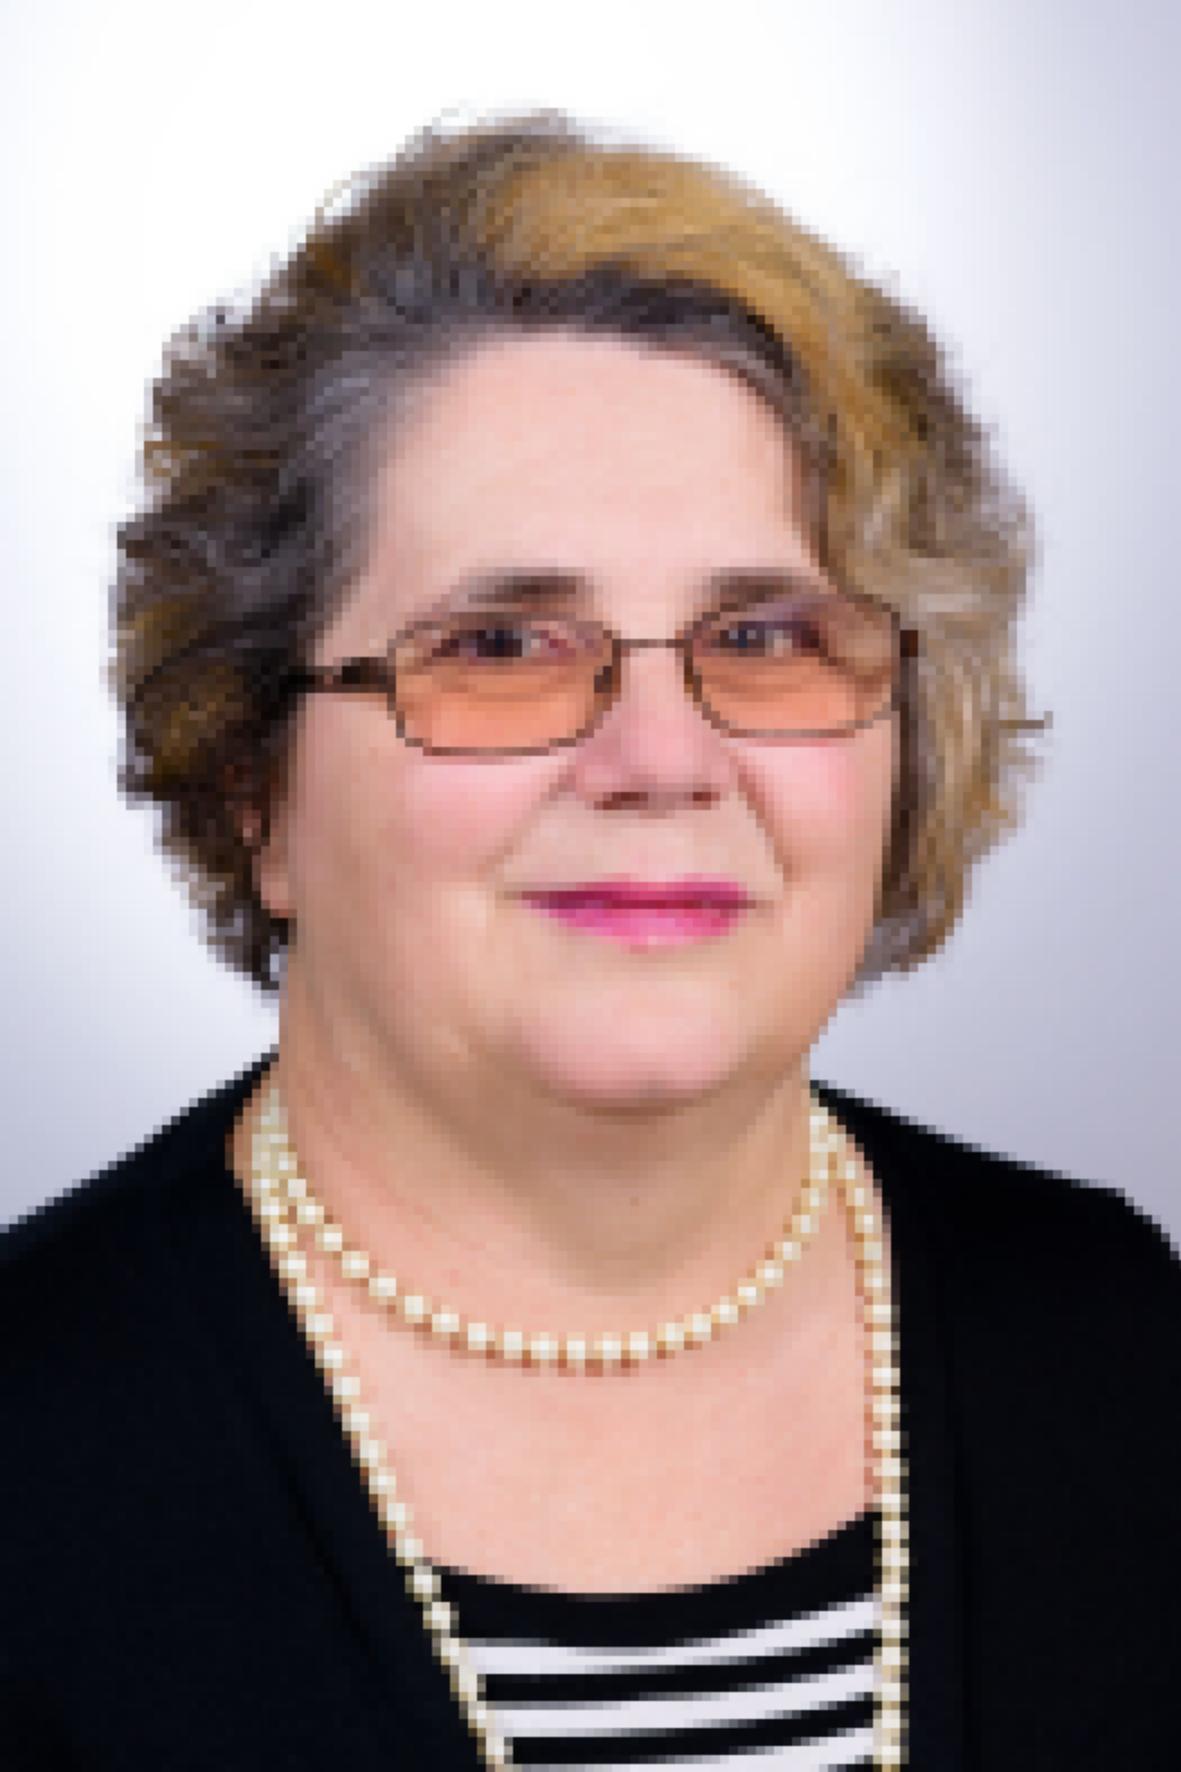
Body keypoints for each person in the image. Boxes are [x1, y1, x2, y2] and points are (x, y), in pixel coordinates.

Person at [1, 107, 1177, 1772]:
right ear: (251, 774)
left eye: (763, 635)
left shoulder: (1118, 1345)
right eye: (499, 645)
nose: (660, 757)